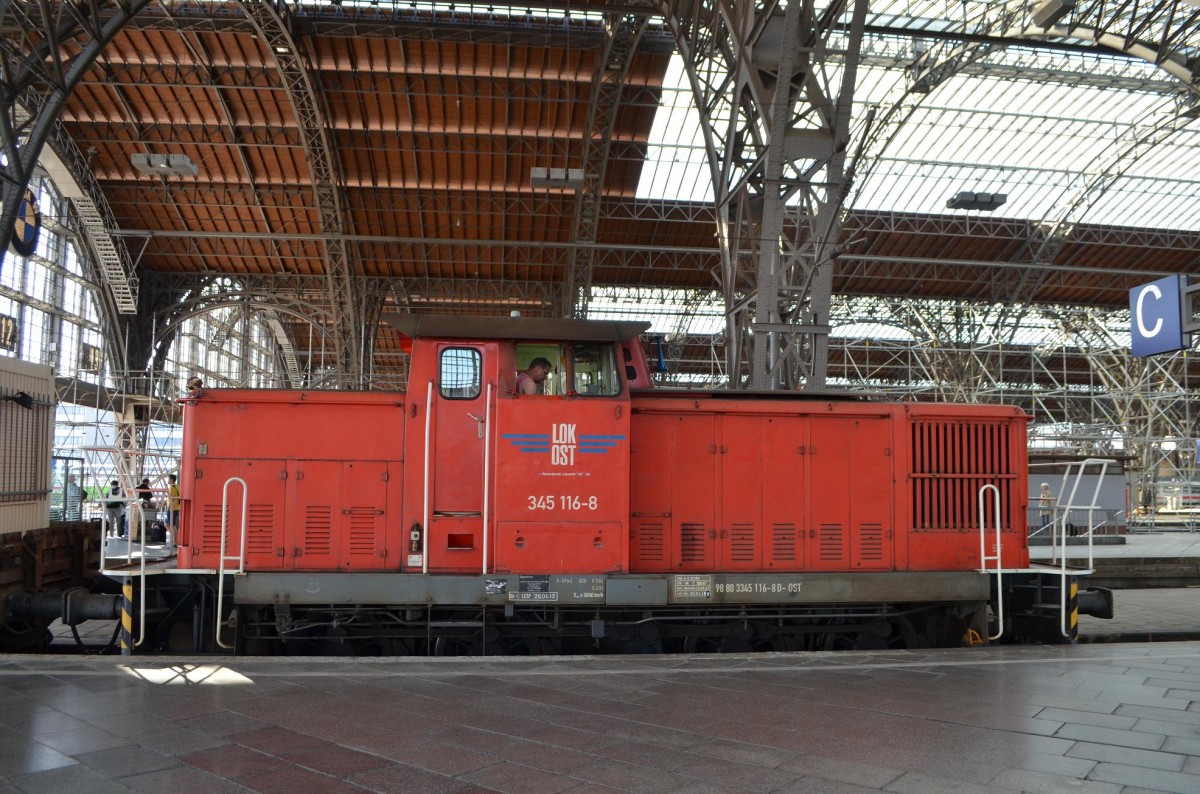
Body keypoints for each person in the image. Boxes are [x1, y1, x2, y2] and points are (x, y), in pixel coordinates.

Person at [135, 477, 153, 542]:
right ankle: (146, 532)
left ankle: (137, 532)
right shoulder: (147, 488)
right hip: (146, 505)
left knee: (138, 519)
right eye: (148, 482)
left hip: (138, 504)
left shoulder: (137, 487)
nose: (148, 483)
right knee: (146, 519)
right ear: (146, 482)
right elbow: (151, 496)